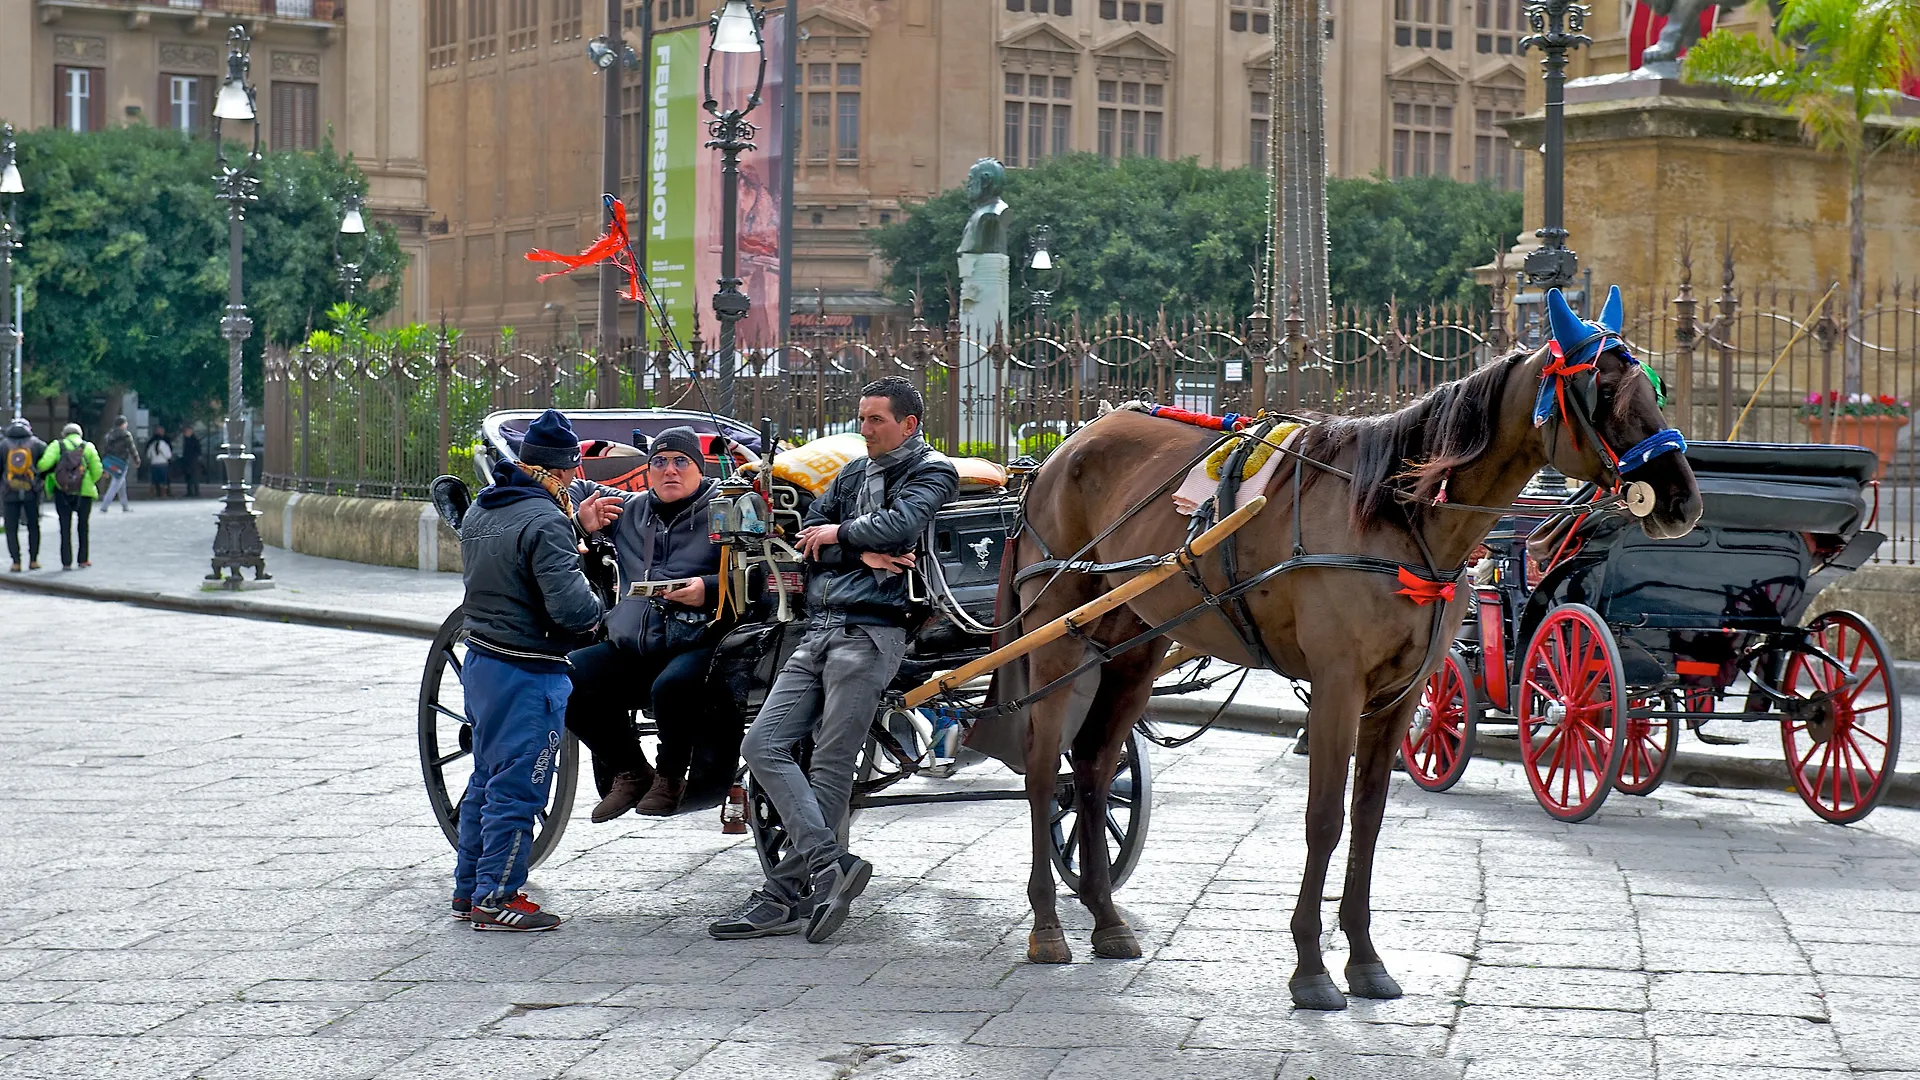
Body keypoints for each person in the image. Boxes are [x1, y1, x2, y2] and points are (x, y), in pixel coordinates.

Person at [710, 376, 959, 944]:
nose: (864, 429)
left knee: (830, 763)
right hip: (817, 628)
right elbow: (805, 539)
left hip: (872, 632)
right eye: (862, 418)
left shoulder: (930, 470)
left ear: (909, 424)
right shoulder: (851, 473)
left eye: (876, 420)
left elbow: (900, 526)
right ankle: (831, 864)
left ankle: (780, 896)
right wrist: (859, 548)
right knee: (761, 745)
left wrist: (840, 538)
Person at [452, 408, 605, 932]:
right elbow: (573, 610)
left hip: (483, 660)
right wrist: (600, 606)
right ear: (562, 471)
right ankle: (497, 896)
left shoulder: (481, 511)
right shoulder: (545, 521)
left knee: (486, 777)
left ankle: (469, 886)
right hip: (528, 669)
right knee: (521, 785)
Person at [566, 426, 727, 821]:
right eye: (659, 462)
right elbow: (571, 485)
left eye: (680, 462)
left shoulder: (725, 507)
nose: (669, 470)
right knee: (562, 677)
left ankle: (670, 778)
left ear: (699, 468)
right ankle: (631, 770)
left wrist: (707, 587)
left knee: (671, 686)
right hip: (634, 641)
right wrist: (581, 519)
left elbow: (764, 574)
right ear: (649, 469)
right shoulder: (631, 508)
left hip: (698, 639)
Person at [37, 423, 102, 571]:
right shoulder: (88, 447)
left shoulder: (57, 445)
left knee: (64, 526)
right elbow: (97, 470)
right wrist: (88, 480)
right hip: (84, 492)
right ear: (80, 434)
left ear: (64, 434)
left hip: (62, 490)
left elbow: (43, 465)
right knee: (83, 525)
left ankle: (66, 561)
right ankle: (83, 559)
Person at [2, 418, 47, 572]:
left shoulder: (3, 445)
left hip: (9, 492)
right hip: (32, 492)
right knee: (33, 526)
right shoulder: (38, 444)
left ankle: (16, 562)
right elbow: (48, 464)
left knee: (11, 528)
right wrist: (41, 481)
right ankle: (33, 560)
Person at [100, 417, 136, 513]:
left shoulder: (109, 435)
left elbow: (105, 449)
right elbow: (132, 448)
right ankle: (104, 506)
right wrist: (137, 460)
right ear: (123, 424)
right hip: (121, 463)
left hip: (110, 461)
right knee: (116, 484)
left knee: (121, 484)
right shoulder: (126, 435)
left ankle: (125, 505)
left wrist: (104, 464)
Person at [144, 425, 173, 498]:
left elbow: (148, 455)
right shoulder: (165, 444)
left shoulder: (151, 444)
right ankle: (164, 494)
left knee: (154, 480)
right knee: (164, 480)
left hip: (154, 464)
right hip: (163, 464)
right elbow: (169, 455)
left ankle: (152, 493)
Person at [181, 425, 202, 497]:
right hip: (187, 461)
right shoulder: (186, 440)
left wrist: (194, 458)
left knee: (194, 477)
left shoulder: (194, 440)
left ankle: (196, 492)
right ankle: (190, 491)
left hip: (193, 461)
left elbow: (198, 450)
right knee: (188, 477)